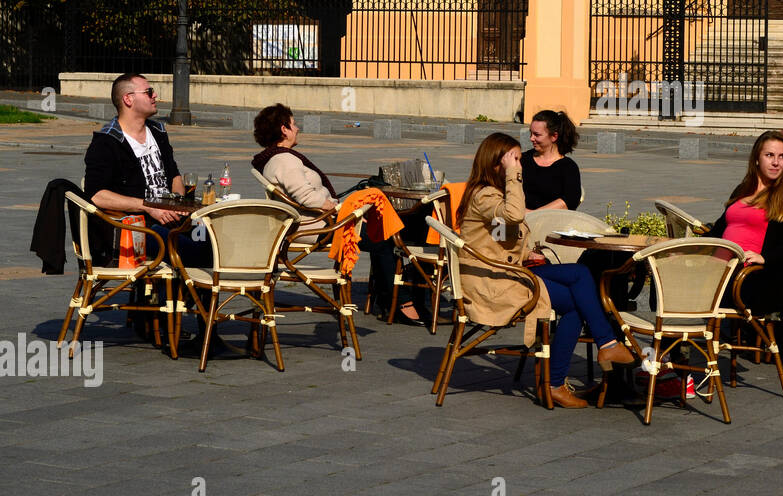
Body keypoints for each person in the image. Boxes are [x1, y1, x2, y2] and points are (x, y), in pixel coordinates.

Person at [458, 133, 635, 408]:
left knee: (579, 274)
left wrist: (526, 252)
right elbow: (516, 215)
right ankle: (562, 378)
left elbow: (497, 235)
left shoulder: (491, 194)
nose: (519, 165)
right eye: (514, 160)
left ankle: (604, 346)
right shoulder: (484, 196)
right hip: (494, 282)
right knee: (577, 303)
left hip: (509, 270)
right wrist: (514, 174)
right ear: (497, 164)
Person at [250, 104, 429, 326]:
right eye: (294, 123)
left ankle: (392, 297)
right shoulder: (285, 160)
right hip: (315, 228)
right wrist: (343, 212)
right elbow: (308, 197)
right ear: (283, 129)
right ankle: (400, 302)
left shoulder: (277, 158)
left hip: (316, 222)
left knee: (383, 228)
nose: (298, 128)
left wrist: (345, 212)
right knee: (383, 237)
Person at [83, 73, 211, 344]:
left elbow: (174, 173)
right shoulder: (107, 141)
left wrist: (178, 202)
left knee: (216, 240)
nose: (155, 96)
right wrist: (149, 207)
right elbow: (96, 195)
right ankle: (198, 320)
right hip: (133, 230)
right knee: (184, 249)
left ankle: (193, 314)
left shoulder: (158, 131)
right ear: (128, 99)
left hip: (169, 220)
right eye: (149, 91)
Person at [704, 130, 783, 365]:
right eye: (769, 155)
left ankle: (676, 360)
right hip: (719, 270)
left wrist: (766, 257)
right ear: (757, 158)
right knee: (670, 278)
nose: (776, 162)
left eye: (782, 156)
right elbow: (718, 231)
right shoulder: (742, 190)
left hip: (753, 278)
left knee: (685, 294)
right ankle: (671, 356)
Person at [520, 109, 581, 211]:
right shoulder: (522, 159)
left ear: (554, 136)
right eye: (531, 133)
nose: (531, 138)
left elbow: (569, 200)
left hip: (553, 222)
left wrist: (534, 215)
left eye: (537, 135)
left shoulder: (568, 167)